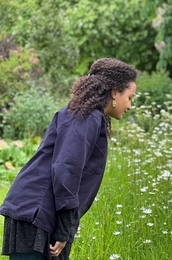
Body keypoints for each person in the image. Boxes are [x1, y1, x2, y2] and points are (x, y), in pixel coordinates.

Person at [0, 57, 137, 259]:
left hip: (37, 214)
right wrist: (64, 229)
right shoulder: (86, 117)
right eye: (131, 97)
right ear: (115, 92)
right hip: (37, 215)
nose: (130, 105)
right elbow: (66, 170)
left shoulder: (87, 115)